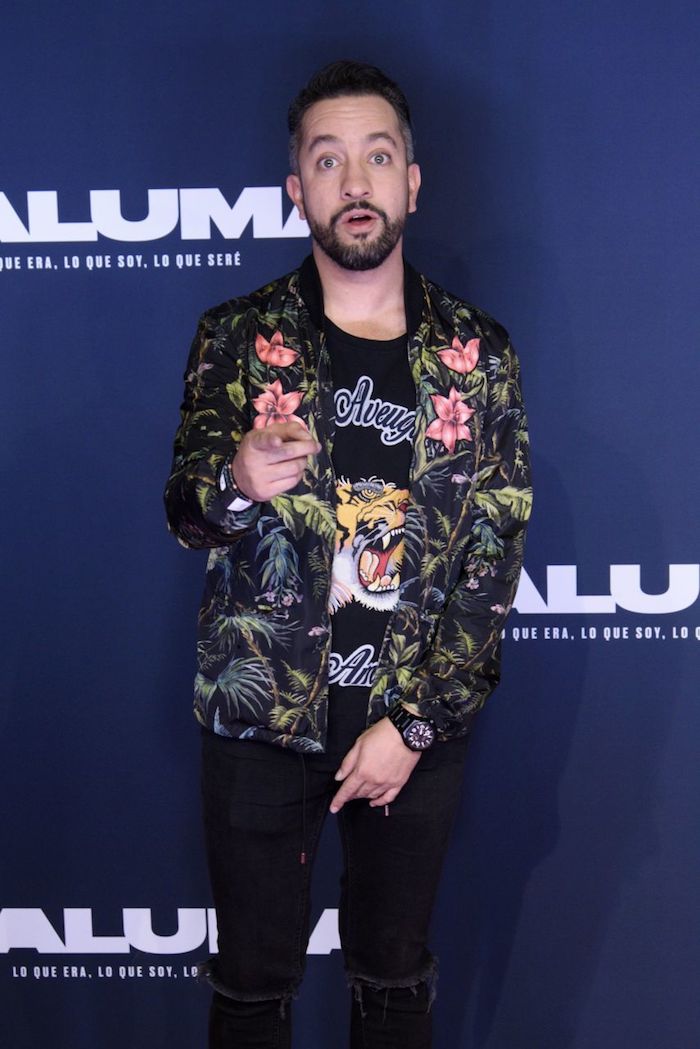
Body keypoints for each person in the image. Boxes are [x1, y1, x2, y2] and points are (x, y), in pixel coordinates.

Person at [165, 59, 532, 1049]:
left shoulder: (479, 354)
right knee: (250, 988)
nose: (354, 180)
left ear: (412, 180)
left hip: (411, 721)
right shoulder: (237, 337)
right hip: (261, 720)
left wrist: (413, 726)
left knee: (395, 980)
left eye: (377, 156)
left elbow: (492, 562)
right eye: (328, 160)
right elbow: (187, 512)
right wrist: (238, 479)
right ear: (298, 189)